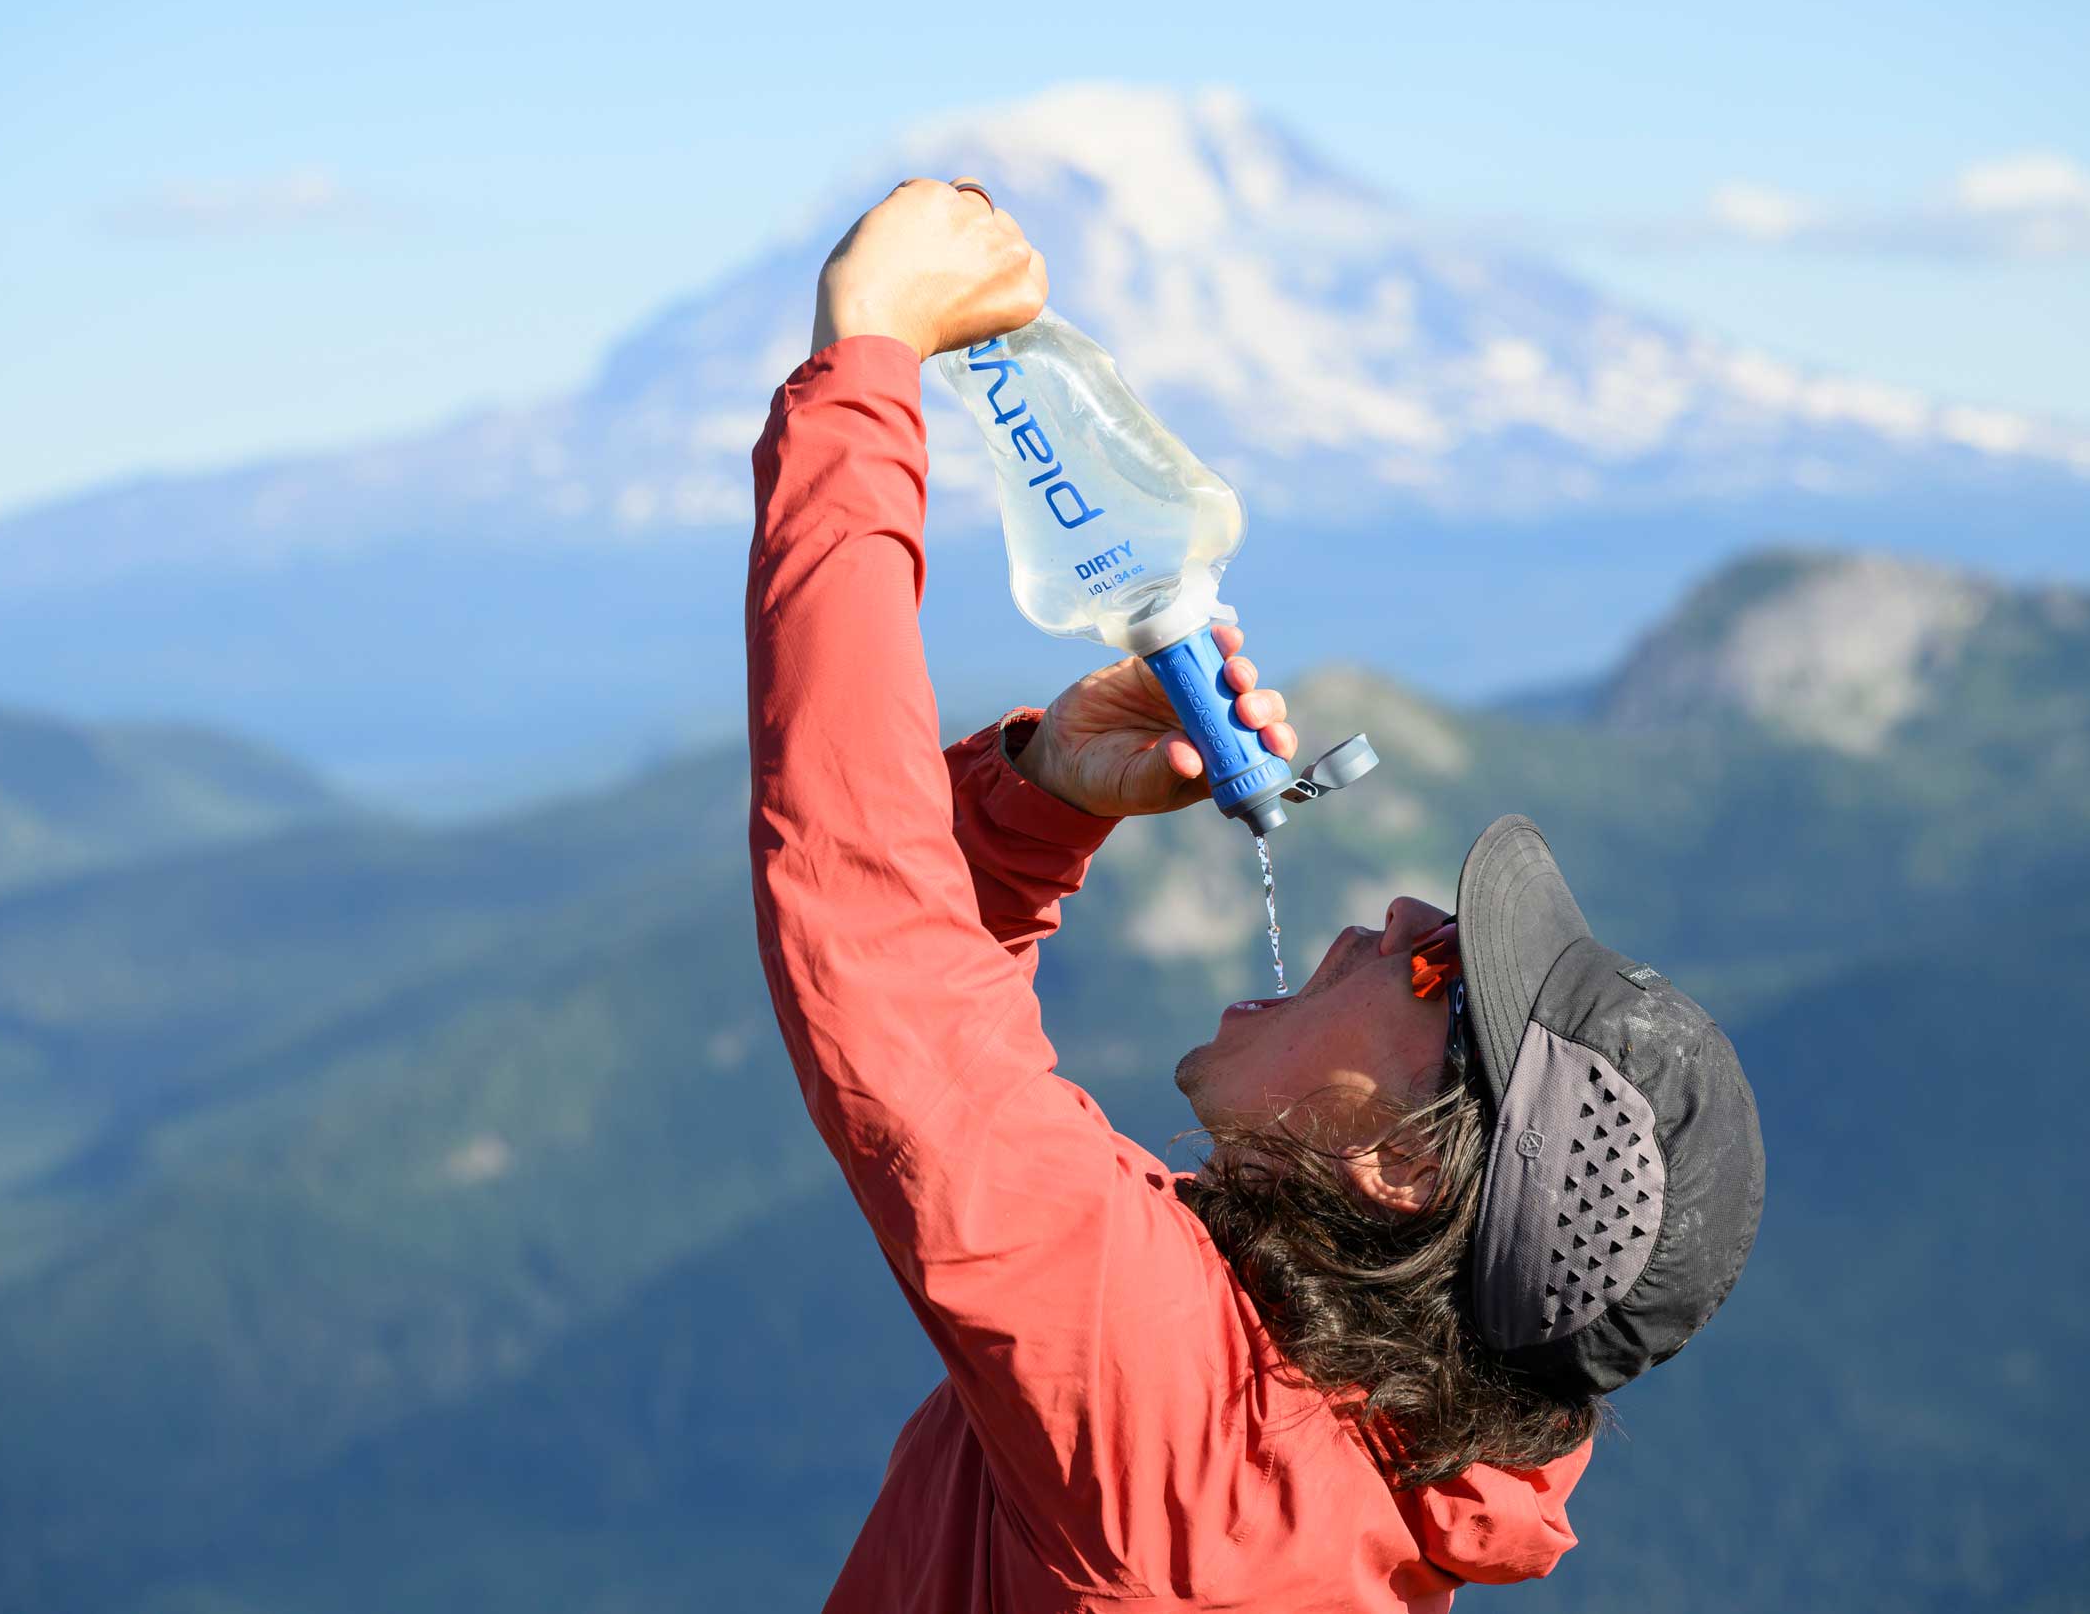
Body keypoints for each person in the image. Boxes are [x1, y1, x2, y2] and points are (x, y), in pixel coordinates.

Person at [747, 177, 1766, 1614]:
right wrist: (1038, 802)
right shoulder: (1316, 1450)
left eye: (1439, 979)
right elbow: (923, 983)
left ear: (1405, 1173)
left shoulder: (1189, 1440)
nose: (1399, 919)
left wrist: (861, 373)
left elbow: (881, 975)